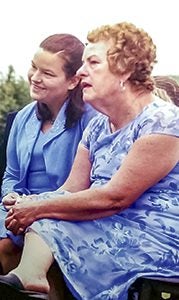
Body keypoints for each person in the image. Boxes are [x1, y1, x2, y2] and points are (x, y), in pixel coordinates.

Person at [0, 21, 179, 300]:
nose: (82, 72)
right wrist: (29, 204)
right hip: (104, 222)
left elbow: (115, 198)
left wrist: (38, 207)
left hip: (152, 238)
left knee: (49, 222)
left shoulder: (164, 122)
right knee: (43, 220)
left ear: (126, 69)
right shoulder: (98, 126)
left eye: (93, 62)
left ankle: (27, 280)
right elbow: (71, 190)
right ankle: (29, 279)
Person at [0, 33, 97, 275]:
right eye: (34, 67)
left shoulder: (91, 118)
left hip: (62, 210)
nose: (35, 77)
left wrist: (36, 205)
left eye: (48, 73)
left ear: (73, 81)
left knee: (2, 246)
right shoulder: (22, 117)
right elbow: (11, 174)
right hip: (17, 206)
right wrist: (10, 195)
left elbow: (90, 185)